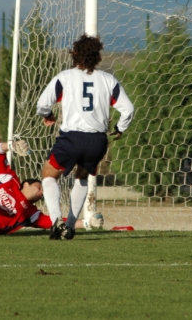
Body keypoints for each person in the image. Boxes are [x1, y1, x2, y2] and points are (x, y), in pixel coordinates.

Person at [36, 34, 134, 240]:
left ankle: (56, 221)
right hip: (97, 141)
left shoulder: (65, 77)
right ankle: (70, 225)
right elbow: (128, 109)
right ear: (97, 56)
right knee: (81, 177)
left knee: (48, 175)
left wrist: (48, 115)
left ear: (75, 54)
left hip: (72, 138)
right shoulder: (108, 80)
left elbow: (42, 104)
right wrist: (119, 128)